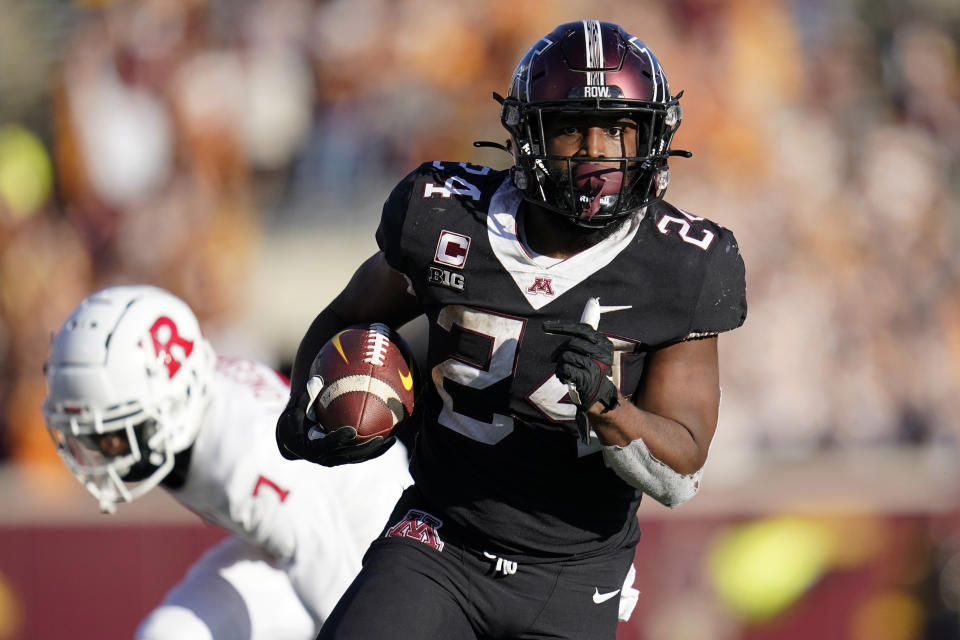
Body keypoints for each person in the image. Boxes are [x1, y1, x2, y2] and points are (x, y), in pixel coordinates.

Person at [277, 20, 746, 640]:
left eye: (618, 128)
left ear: (651, 137)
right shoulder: (446, 218)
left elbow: (680, 469)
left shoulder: (684, 262)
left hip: (575, 573)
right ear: (530, 135)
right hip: (441, 539)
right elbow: (346, 317)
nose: (597, 151)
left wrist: (610, 410)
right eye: (574, 126)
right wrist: (305, 419)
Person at [42, 285, 412, 640]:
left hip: (362, 537)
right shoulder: (196, 398)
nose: (105, 449)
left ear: (172, 404)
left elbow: (332, 575)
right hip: (302, 532)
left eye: (116, 432)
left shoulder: (243, 457)